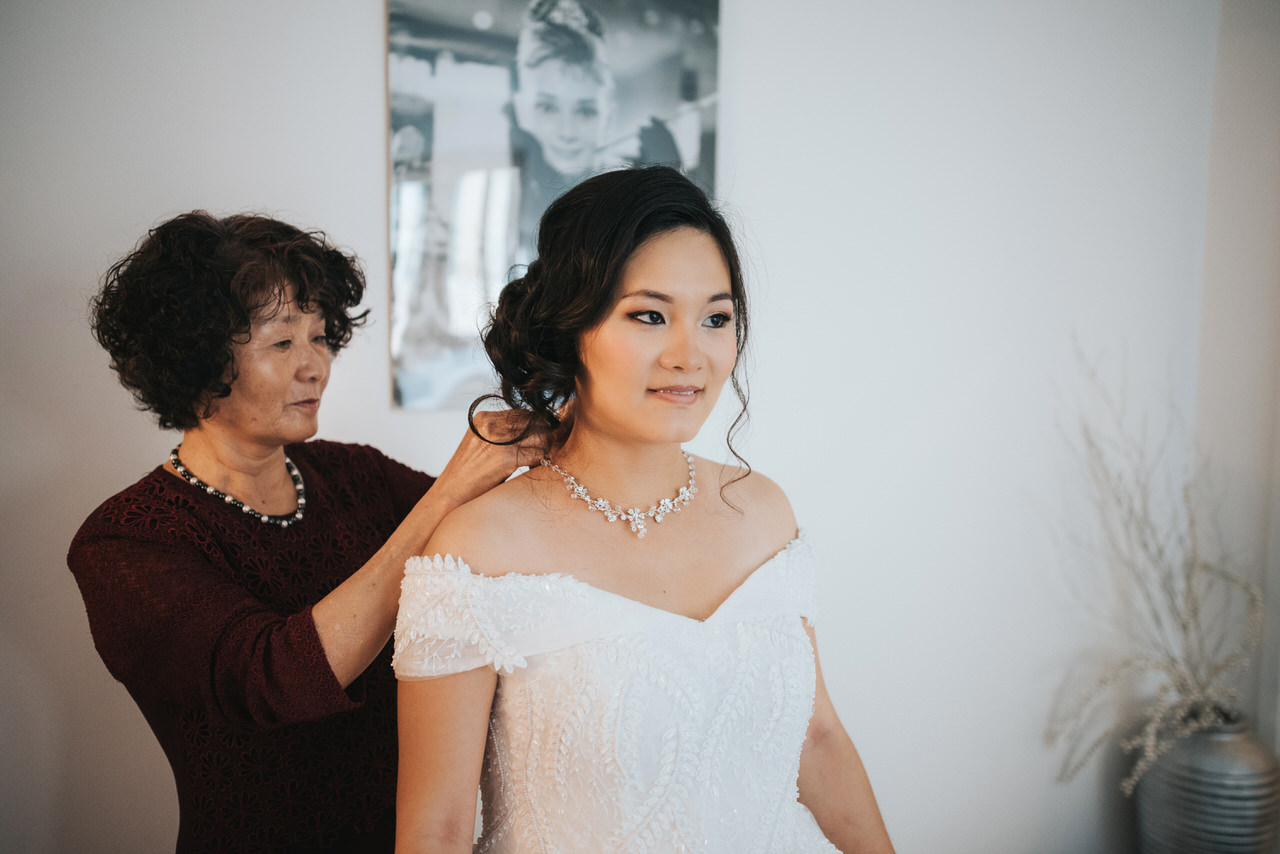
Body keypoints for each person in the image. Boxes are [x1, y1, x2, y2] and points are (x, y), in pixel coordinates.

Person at [392, 166, 895, 853]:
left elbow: (818, 738)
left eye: (716, 318)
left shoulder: (764, 512)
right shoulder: (480, 549)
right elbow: (437, 829)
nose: (690, 356)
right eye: (650, 316)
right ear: (572, 327)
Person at [67, 212, 539, 853]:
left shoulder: (356, 475)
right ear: (197, 358)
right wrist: (449, 492)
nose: (315, 365)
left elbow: (501, 536)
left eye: (320, 337)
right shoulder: (127, 541)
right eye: (282, 343)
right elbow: (274, 678)